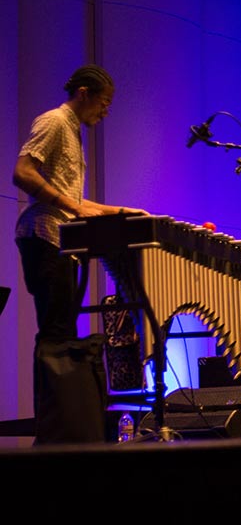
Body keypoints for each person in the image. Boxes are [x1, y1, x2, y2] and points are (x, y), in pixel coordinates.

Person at [13, 64, 146, 441]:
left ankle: (61, 427)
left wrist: (115, 211)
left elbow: (74, 201)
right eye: (103, 104)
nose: (105, 113)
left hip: (62, 239)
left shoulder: (73, 133)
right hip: (43, 234)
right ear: (84, 93)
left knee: (63, 334)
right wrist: (73, 208)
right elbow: (22, 172)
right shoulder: (55, 122)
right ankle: (51, 431)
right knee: (55, 335)